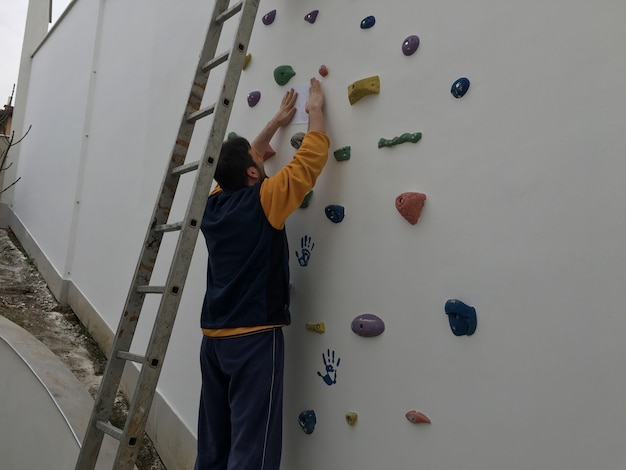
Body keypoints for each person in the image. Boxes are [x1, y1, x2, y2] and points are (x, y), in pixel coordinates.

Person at [195, 77, 329, 470]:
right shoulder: (267, 200)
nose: (265, 156)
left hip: (214, 340)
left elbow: (240, 163)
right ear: (254, 174)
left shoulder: (212, 206)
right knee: (253, 447)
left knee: (215, 442)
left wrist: (274, 122)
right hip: (253, 340)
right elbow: (309, 160)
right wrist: (314, 110)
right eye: (260, 159)